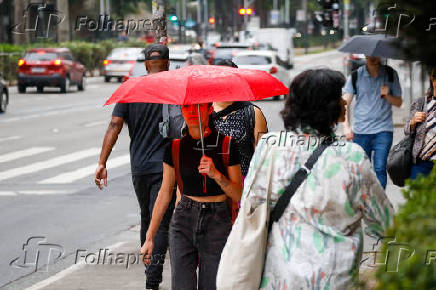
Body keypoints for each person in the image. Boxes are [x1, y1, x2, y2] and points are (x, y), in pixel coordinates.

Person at [241, 69, 394, 289]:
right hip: (334, 280)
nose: (344, 101)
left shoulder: (269, 146)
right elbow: (384, 224)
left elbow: (251, 205)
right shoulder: (351, 157)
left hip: (280, 279)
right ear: (326, 105)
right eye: (338, 95)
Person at [94, 44, 174, 290]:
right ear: (168, 64)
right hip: (167, 165)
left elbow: (114, 125)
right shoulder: (174, 87)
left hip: (139, 166)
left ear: (145, 64)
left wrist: (102, 162)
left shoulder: (131, 89)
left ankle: (150, 272)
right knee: (160, 222)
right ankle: (153, 277)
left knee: (146, 217)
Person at [141, 103, 243, 290]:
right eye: (187, 106)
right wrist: (150, 236)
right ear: (181, 110)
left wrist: (217, 175)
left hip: (217, 222)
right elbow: (164, 193)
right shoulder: (174, 148)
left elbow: (238, 193)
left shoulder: (227, 144)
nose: (192, 111)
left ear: (209, 109)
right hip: (183, 220)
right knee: (181, 285)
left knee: (213, 285)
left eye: (199, 106)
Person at [343, 56, 402, 189]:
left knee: (380, 167)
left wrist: (387, 96)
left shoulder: (390, 74)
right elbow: (344, 103)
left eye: (376, 54)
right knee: (362, 169)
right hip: (360, 131)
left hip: (383, 130)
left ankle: (380, 204)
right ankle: (365, 201)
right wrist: (346, 126)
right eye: (369, 53)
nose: (372, 57)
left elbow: (399, 102)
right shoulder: (356, 76)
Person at [212, 60, 268, 177]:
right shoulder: (201, 112)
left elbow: (263, 158)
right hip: (209, 189)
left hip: (243, 187)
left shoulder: (252, 113)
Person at [405, 67, 436, 179]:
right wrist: (413, 121)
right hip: (422, 163)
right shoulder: (421, 103)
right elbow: (407, 130)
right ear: (433, 80)